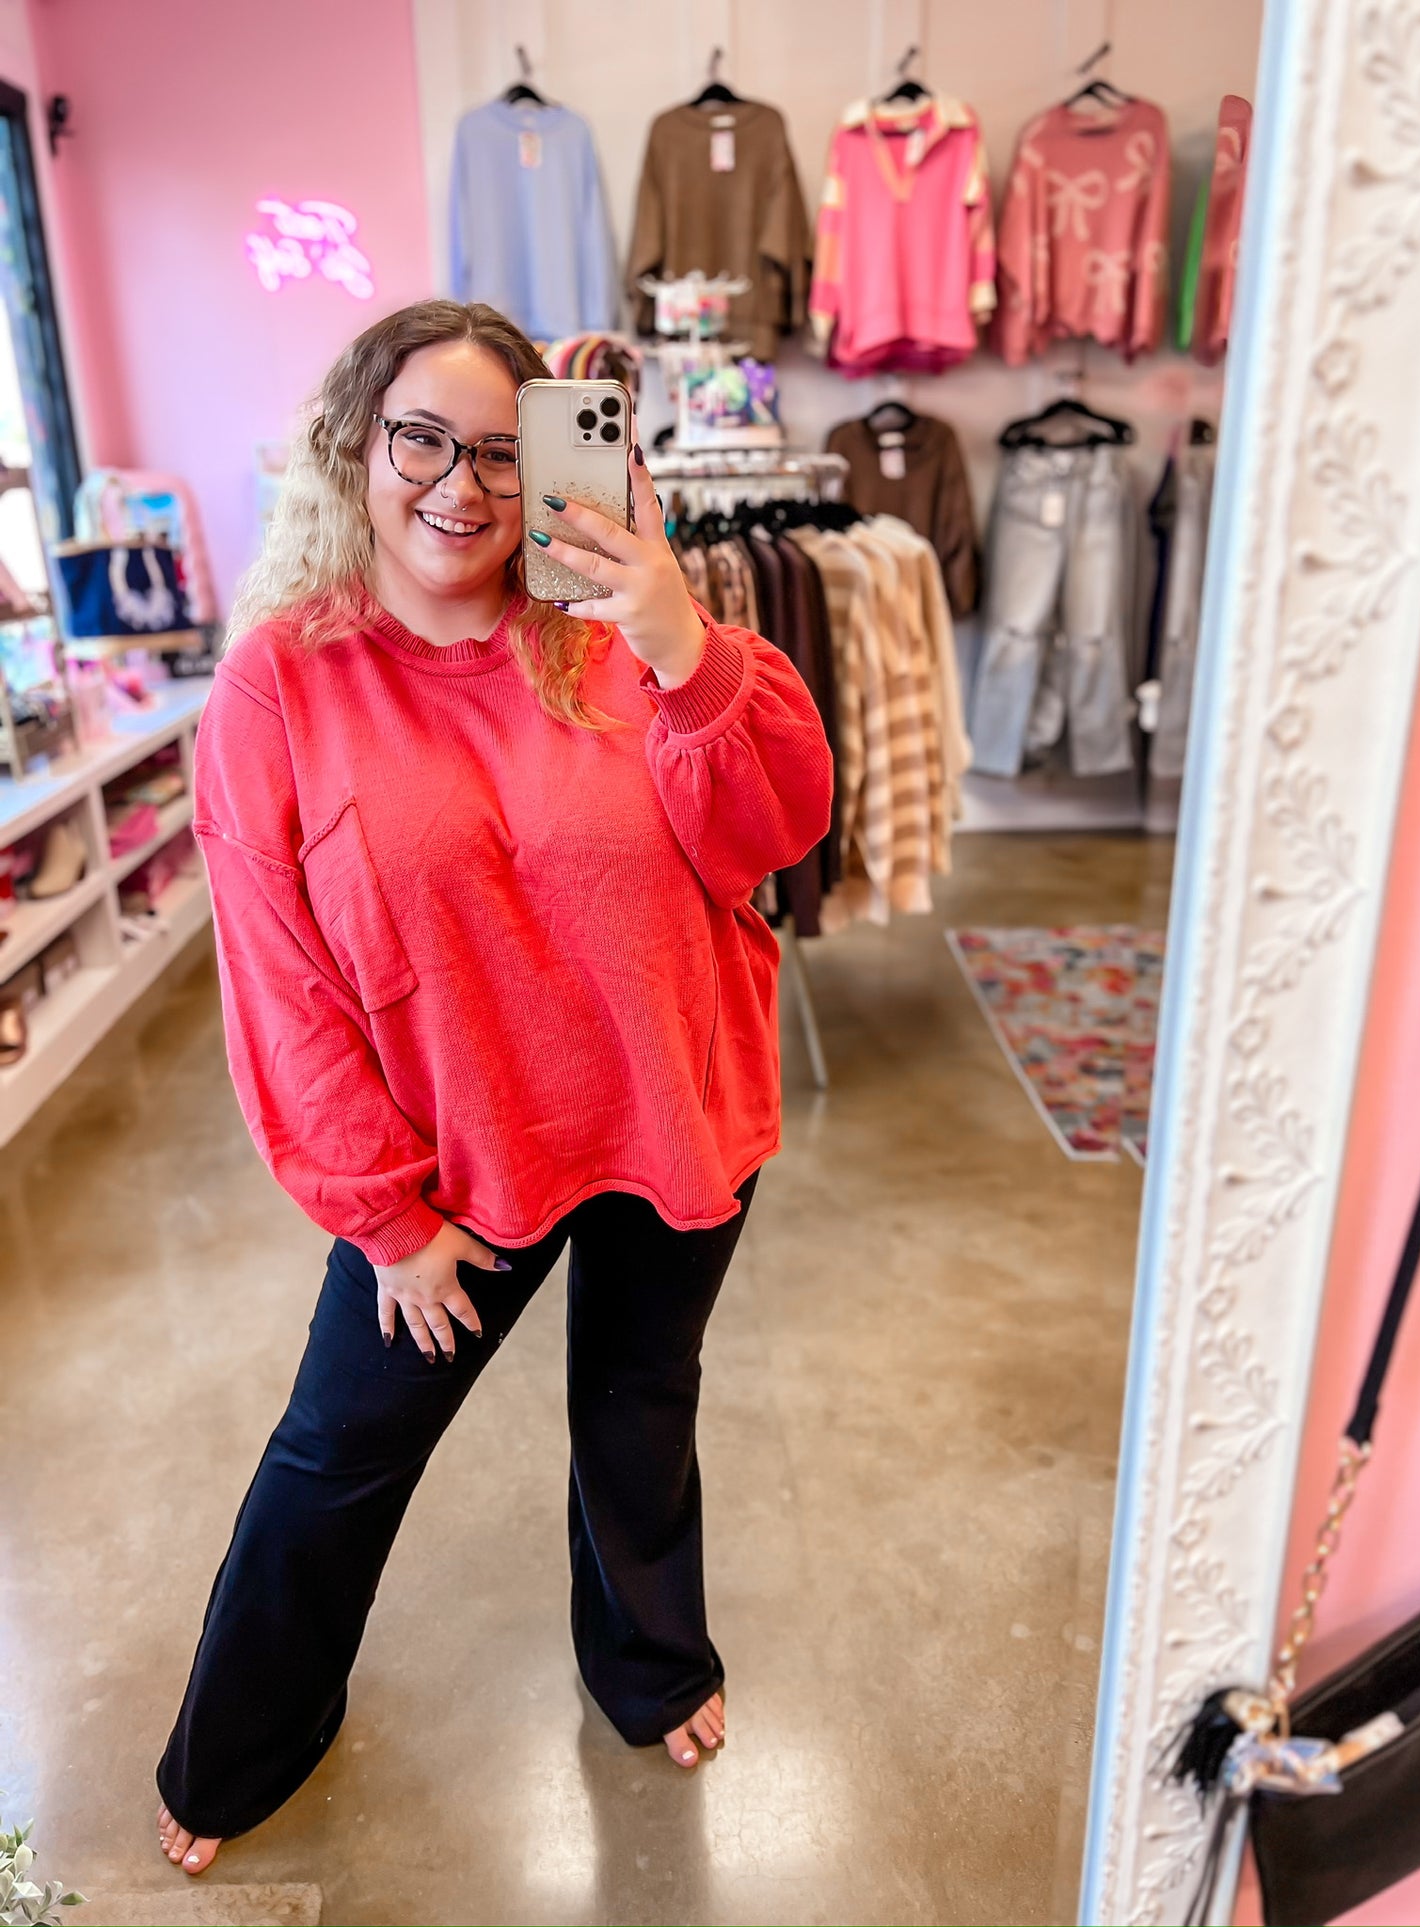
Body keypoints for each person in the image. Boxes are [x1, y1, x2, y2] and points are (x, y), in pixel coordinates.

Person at [154, 300, 831, 1874]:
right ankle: (243, 1737)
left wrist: (674, 625)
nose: (458, 488)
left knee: (639, 1411)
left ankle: (647, 1665)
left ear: (549, 468)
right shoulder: (282, 686)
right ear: (353, 449)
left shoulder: (619, 633)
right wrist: (381, 1219)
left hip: (673, 1112)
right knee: (339, 1454)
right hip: (453, 1168)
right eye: (419, 440)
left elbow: (775, 829)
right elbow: (280, 978)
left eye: (497, 451)